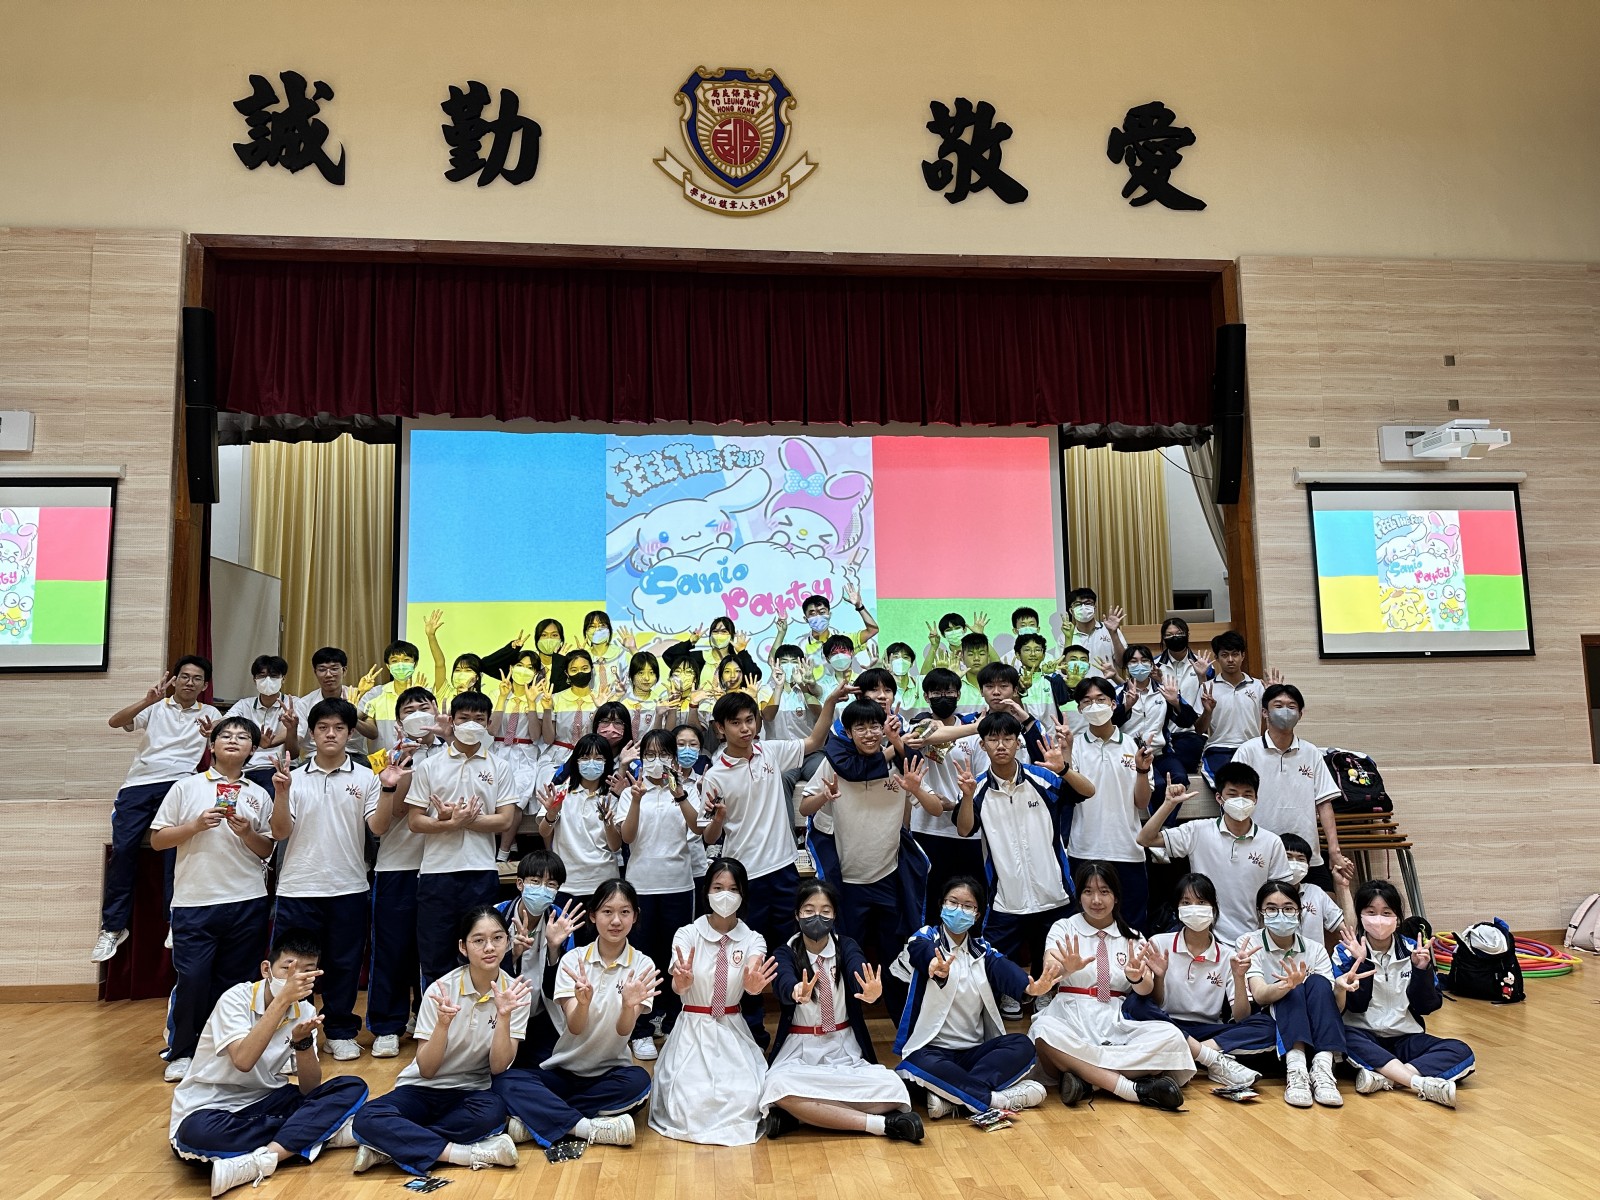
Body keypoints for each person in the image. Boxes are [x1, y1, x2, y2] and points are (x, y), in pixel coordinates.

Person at [168, 928, 368, 1197]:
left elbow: (310, 1089)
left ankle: (266, 1158)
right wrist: (283, 1000)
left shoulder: (305, 1010)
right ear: (266, 970)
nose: (297, 978)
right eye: (288, 969)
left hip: (267, 1099)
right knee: (197, 1135)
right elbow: (243, 1061)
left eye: (308, 972)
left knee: (351, 1086)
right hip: (211, 1108)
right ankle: (319, 1133)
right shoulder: (235, 999)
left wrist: (302, 1043)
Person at [699, 683, 847, 1044]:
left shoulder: (770, 752)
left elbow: (814, 741)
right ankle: (751, 1029)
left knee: (789, 951)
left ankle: (796, 1024)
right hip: (744, 878)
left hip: (783, 870)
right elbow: (709, 836)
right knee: (749, 954)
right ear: (720, 728)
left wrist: (828, 700)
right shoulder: (714, 775)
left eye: (750, 720)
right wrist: (719, 818)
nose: (745, 728)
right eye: (736, 723)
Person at [350, 907, 526, 1175]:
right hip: (421, 1088)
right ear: (463, 947)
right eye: (478, 940)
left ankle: (389, 1148)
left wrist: (503, 1016)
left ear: (508, 941)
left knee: (493, 1114)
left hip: (471, 1091)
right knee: (367, 1117)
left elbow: (498, 1067)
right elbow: (427, 1069)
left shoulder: (515, 993)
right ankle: (461, 1154)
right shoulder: (441, 990)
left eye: (497, 938)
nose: (489, 947)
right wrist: (442, 1025)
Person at [151, 716, 276, 1082]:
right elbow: (158, 840)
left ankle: (227, 1049)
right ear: (212, 745)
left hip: (247, 900)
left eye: (243, 737)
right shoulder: (186, 787)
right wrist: (194, 826)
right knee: (193, 978)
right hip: (194, 901)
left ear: (252, 749)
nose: (233, 740)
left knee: (237, 982)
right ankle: (182, 1051)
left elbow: (267, 849)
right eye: (226, 735)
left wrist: (247, 832)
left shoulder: (258, 794)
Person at [493, 880, 659, 1150]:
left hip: (611, 1073)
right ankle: (586, 1127)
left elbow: (623, 1030)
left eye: (625, 912)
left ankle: (538, 1118)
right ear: (593, 915)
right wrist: (582, 1003)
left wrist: (629, 1006)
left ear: (635, 916)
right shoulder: (573, 961)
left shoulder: (643, 964)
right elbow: (575, 1026)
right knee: (505, 1082)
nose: (616, 920)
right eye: (607, 912)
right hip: (564, 1071)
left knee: (639, 1083)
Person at [800, 698, 939, 1020]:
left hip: (888, 878)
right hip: (847, 884)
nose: (868, 733)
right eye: (859, 727)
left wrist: (916, 789)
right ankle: (844, 1023)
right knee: (846, 956)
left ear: (884, 728)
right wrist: (824, 796)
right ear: (848, 733)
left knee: (895, 955)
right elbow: (805, 807)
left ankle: (903, 1022)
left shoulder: (900, 764)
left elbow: (934, 808)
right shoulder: (834, 765)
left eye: (874, 726)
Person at [268, 697, 385, 1062]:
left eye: (338, 728)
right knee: (293, 967)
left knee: (343, 965)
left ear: (350, 734)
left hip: (349, 887)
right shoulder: (294, 778)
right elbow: (279, 832)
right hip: (297, 887)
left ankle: (339, 1031)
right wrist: (281, 793)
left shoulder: (367, 777)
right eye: (323, 728)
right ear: (311, 734)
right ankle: (290, 1035)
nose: (330, 734)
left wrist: (390, 788)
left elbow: (378, 827)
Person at [761, 880, 922, 1142]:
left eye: (825, 911)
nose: (817, 917)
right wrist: (796, 991)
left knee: (895, 1089)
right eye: (809, 910)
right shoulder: (785, 952)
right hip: (801, 1048)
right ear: (797, 915)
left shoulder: (845, 946)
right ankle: (879, 1125)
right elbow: (783, 981)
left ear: (835, 915)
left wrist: (868, 989)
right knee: (777, 1086)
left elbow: (858, 967)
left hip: (843, 1046)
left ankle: (801, 1115)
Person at [953, 711, 1089, 1019]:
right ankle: (1012, 991)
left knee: (1051, 948)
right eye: (993, 739)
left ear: (1018, 743)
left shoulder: (1042, 778)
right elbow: (964, 829)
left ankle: (1046, 990)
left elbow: (1087, 791)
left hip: (1053, 888)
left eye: (1008, 738)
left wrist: (1064, 769)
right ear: (983, 745)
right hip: (1006, 894)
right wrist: (966, 797)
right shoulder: (978, 788)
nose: (1001, 745)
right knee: (998, 954)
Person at [1029, 862, 1193, 1110]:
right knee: (1043, 1030)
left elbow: (1146, 990)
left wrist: (1136, 978)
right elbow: (1049, 971)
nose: (1096, 900)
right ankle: (1132, 1089)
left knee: (1171, 1036)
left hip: (1116, 1017)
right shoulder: (1063, 927)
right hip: (1070, 1013)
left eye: (1104, 892)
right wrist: (1067, 969)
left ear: (1116, 896)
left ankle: (1087, 1081)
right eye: (1088, 892)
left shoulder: (1133, 936)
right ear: (1079, 896)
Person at [94, 655, 223, 964]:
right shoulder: (156, 706)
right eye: (184, 676)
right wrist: (145, 701)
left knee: (174, 852)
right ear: (174, 680)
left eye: (197, 678)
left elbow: (226, 744)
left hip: (180, 783)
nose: (190, 682)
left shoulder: (211, 713)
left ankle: (175, 920)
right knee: (123, 850)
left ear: (205, 685)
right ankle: (113, 927)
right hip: (139, 784)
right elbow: (114, 722)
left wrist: (212, 736)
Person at [893, 877, 1055, 1119]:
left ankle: (954, 1099)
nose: (959, 910)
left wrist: (1031, 988)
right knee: (914, 1063)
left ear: (977, 915)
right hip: (932, 1052)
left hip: (975, 1054)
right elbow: (919, 951)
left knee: (1022, 1045)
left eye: (968, 906)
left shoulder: (982, 951)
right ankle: (996, 1099)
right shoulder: (925, 938)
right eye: (952, 902)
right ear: (941, 905)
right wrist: (933, 963)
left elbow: (1005, 970)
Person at [649, 857, 778, 1145]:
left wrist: (753, 986)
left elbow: (753, 972)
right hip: (692, 1029)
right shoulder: (687, 934)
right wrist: (681, 983)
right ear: (706, 890)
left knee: (746, 1097)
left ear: (743, 894)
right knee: (689, 1102)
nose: (725, 895)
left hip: (731, 1027)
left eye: (733, 889)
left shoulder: (753, 938)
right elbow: (677, 981)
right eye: (718, 888)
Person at [406, 692, 520, 988]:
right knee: (435, 953)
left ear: (489, 724)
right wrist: (451, 823)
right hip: (436, 874)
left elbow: (505, 820)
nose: (471, 724)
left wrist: (463, 821)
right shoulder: (429, 766)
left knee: (483, 951)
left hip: (481, 872)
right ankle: (436, 1015)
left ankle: (483, 1012)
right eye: (464, 718)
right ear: (452, 721)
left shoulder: (499, 766)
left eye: (479, 719)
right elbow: (415, 821)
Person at [1127, 873, 1274, 1090]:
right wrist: (1160, 976)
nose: (1194, 908)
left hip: (1207, 1030)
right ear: (1177, 909)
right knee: (1134, 1004)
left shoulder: (1228, 955)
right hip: (1166, 1025)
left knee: (1267, 1025)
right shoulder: (1159, 943)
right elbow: (1155, 1004)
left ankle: (1190, 1054)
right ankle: (1210, 1059)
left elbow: (1241, 1017)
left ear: (1214, 908)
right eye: (1186, 903)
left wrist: (1238, 977)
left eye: (1202, 902)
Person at [1332, 879, 1472, 1107]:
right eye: (1371, 912)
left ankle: (1387, 1078)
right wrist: (1362, 961)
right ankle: (1418, 1083)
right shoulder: (1344, 952)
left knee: (1460, 1050)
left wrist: (1421, 971)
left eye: (1386, 913)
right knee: (1343, 1038)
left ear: (1397, 918)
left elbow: (1428, 1006)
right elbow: (1355, 1006)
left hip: (1405, 1037)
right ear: (1360, 916)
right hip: (1363, 1036)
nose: (1379, 919)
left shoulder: (1413, 950)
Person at [365, 687, 446, 1057]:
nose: (417, 714)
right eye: (408, 710)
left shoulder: (454, 752)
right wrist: (401, 766)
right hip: (397, 865)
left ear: (437, 711)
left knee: (435, 951)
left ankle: (426, 1018)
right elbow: (394, 813)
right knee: (392, 949)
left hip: (441, 865)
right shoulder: (385, 758)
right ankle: (387, 1025)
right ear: (398, 721)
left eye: (423, 708)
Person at [1244, 879, 1370, 1108]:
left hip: (1314, 1019)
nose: (1280, 914)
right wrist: (1286, 986)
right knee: (1294, 989)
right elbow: (1260, 995)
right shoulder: (1249, 943)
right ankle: (1296, 1070)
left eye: (1288, 908)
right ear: (1260, 912)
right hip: (1272, 1015)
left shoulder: (1315, 949)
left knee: (1319, 983)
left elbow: (1334, 1007)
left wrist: (1340, 988)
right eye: (1271, 908)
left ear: (1299, 912)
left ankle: (1323, 1068)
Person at [618, 728, 702, 1059]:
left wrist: (679, 794)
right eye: (650, 755)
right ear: (641, 760)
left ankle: (669, 1021)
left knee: (676, 956)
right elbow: (627, 837)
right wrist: (636, 799)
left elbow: (697, 827)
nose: (657, 760)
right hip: (641, 886)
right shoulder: (630, 792)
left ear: (673, 759)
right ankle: (640, 1028)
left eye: (663, 754)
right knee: (642, 957)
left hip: (679, 885)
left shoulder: (684, 789)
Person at [1136, 763, 1291, 943]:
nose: (1240, 800)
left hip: (1253, 939)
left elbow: (1280, 894)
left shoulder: (1271, 842)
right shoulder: (1197, 830)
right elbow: (1145, 839)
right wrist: (1168, 805)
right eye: (1232, 794)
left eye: (1247, 795)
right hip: (1207, 937)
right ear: (1219, 797)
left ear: (1255, 799)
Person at [1231, 683, 1350, 891]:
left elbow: (1324, 803)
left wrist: (1334, 850)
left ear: (1300, 714)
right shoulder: (1247, 751)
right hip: (1259, 852)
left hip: (1306, 854)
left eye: (1291, 706)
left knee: (1324, 903)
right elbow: (1235, 802)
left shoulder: (1311, 752)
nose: (1285, 711)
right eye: (1278, 705)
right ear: (1265, 712)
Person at [1066, 675, 1155, 929]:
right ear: (1080, 709)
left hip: (1127, 849)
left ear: (1114, 704)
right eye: (1087, 701)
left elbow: (1142, 802)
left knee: (1131, 925)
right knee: (1085, 925)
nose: (1094, 706)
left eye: (1101, 699)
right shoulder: (1074, 747)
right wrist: (1064, 756)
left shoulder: (1134, 745)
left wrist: (1142, 770)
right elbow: (1069, 797)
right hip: (1084, 850)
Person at [906, 667, 985, 924]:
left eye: (949, 692)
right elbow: (928, 735)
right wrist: (977, 727)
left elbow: (981, 778)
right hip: (927, 828)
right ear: (926, 696)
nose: (944, 697)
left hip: (966, 829)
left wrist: (956, 805)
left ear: (959, 695)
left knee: (969, 899)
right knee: (931, 898)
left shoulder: (973, 734)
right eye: (936, 692)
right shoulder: (919, 724)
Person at [495, 849, 582, 1065]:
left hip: (543, 1016)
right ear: (520, 884)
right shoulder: (497, 916)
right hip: (500, 1016)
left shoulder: (560, 920)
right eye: (535, 881)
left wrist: (554, 949)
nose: (543, 889)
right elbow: (482, 974)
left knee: (551, 1068)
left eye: (551, 885)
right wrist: (513, 954)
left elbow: (562, 987)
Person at [537, 734, 623, 919]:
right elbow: (543, 831)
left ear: (607, 762)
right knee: (565, 935)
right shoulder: (560, 792)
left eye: (598, 758)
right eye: (585, 757)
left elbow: (615, 846)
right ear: (575, 761)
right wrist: (551, 814)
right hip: (566, 882)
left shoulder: (613, 797)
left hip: (603, 882)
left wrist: (608, 822)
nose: (591, 763)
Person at [1194, 630, 1263, 783]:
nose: (1230, 660)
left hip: (1251, 748)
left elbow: (1271, 721)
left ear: (1243, 656)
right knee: (1226, 789)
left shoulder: (1258, 686)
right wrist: (1208, 712)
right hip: (1218, 749)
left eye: (1235, 654)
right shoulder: (1207, 688)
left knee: (1255, 788)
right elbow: (1199, 730)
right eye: (1225, 655)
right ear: (1216, 658)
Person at [224, 654, 300, 792]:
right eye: (262, 676)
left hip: (279, 768)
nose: (268, 680)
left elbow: (293, 750)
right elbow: (224, 723)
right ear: (254, 679)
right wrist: (212, 725)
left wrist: (270, 742)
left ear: (283, 678)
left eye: (274, 676)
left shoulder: (294, 704)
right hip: (245, 768)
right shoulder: (244, 705)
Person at [297, 646, 378, 762]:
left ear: (344, 671)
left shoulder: (358, 696)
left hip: (353, 756)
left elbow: (373, 733)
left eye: (334, 669)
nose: (328, 674)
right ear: (315, 672)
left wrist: (352, 717)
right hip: (315, 756)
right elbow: (297, 739)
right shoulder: (304, 703)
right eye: (322, 669)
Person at [1279, 832, 1352, 948]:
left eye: (1301, 859)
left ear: (1308, 866)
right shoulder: (1263, 894)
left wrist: (1343, 886)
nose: (1295, 863)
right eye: (1288, 857)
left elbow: (1349, 931)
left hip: (1314, 959)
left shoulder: (1315, 893)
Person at [795, 586, 878, 680]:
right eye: (812, 614)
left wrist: (859, 607)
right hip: (818, 689)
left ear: (829, 615)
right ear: (806, 619)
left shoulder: (845, 639)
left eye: (822, 612)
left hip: (850, 686)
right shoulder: (801, 646)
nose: (818, 617)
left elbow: (873, 630)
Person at [359, 640, 429, 751]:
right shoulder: (376, 693)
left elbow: (429, 728)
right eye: (394, 661)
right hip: (382, 759)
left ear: (415, 663)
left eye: (406, 660)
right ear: (388, 665)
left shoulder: (426, 694)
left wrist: (416, 697)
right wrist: (361, 692)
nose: (400, 665)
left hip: (417, 757)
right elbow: (353, 717)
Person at [1064, 587, 1126, 670]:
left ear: (1094, 608)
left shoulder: (1110, 630)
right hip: (1078, 679)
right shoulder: (1065, 636)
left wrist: (1113, 633)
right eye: (1078, 604)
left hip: (1107, 678)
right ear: (1071, 611)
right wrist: (1068, 638)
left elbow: (1123, 663)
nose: (1083, 607)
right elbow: (1063, 670)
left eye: (1088, 603)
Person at [579, 609, 629, 693]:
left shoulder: (621, 653)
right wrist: (578, 658)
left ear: (609, 630)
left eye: (602, 625)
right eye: (592, 626)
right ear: (586, 631)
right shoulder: (584, 657)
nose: (597, 629)